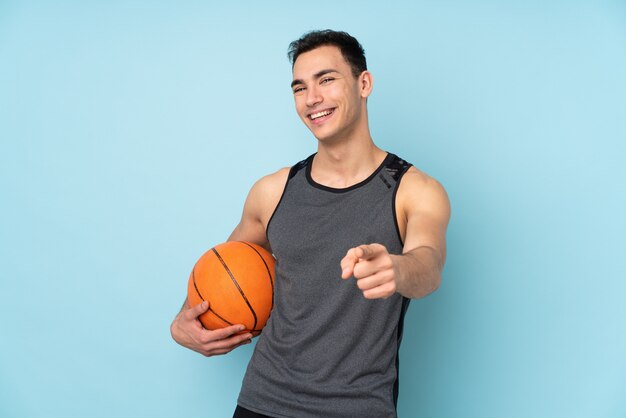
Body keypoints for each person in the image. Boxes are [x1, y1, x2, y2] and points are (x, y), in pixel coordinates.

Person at [171, 29, 451, 418]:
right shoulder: (271, 192)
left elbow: (429, 264)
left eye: (327, 80)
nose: (312, 98)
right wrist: (183, 323)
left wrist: (398, 267)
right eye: (299, 87)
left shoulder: (414, 190)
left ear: (364, 83)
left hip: (358, 408)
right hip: (261, 402)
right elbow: (222, 272)